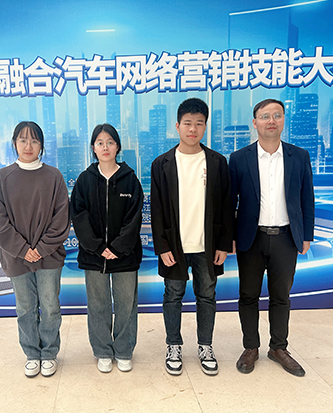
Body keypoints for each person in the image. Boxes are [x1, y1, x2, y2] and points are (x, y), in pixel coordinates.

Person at [229, 98, 315, 377]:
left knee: (281, 296)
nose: (271, 121)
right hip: (250, 238)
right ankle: (250, 347)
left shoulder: (298, 156)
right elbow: (229, 201)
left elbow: (307, 198)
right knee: (248, 295)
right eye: (265, 116)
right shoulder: (239, 158)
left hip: (286, 238)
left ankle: (278, 348)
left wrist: (307, 235)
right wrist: (229, 237)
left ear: (283, 120)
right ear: (255, 123)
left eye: (277, 115)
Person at [151, 98, 233, 376]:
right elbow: (157, 209)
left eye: (199, 123)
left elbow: (226, 205)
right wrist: (162, 247)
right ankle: (173, 345)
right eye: (187, 123)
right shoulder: (162, 163)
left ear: (205, 127)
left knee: (206, 296)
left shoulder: (217, 162)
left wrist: (223, 244)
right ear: (177, 126)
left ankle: (205, 346)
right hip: (174, 245)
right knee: (173, 296)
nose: (193, 129)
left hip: (206, 246)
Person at [0, 121, 70, 378]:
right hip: (16, 258)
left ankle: (49, 353)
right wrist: (23, 250)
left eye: (34, 140)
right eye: (23, 140)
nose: (28, 146)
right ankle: (32, 354)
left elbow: (61, 218)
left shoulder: (53, 177)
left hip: (49, 256)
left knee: (50, 306)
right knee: (25, 308)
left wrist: (41, 248)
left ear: (41, 146)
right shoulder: (3, 178)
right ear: (14, 143)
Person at [70, 123, 143, 373]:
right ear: (93, 148)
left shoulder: (130, 179)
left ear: (117, 147)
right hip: (94, 256)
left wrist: (118, 247)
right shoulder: (85, 180)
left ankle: (123, 350)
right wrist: (98, 247)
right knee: (98, 305)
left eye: (110, 142)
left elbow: (134, 218)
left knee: (126, 305)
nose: (105, 147)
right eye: (100, 143)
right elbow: (78, 216)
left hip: (125, 255)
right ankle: (102, 350)